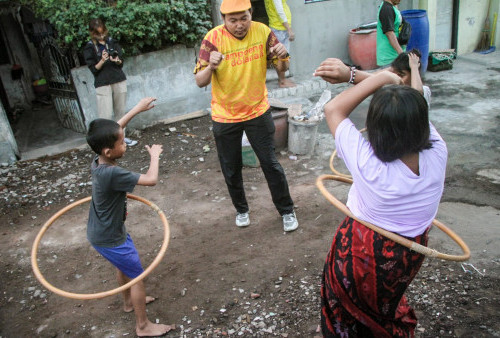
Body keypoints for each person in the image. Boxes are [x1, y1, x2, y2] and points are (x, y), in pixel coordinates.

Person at [313, 68, 447, 335]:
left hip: (362, 252)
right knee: (384, 305)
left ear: (374, 129)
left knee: (347, 311)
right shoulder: (438, 151)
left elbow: (333, 109)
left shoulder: (370, 165)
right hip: (409, 252)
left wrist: (382, 77)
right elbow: (419, 105)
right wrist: (401, 79)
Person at [193, 0, 298, 232]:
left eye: (244, 18)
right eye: (233, 20)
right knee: (231, 167)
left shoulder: (263, 32)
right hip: (224, 115)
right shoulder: (213, 39)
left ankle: (287, 211)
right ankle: (241, 209)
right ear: (223, 20)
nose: (239, 25)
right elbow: (200, 81)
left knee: (270, 163)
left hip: (257, 111)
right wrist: (210, 66)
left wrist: (283, 56)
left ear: (251, 14)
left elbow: (282, 70)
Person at [85, 97, 174, 337]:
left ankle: (127, 303)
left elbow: (114, 129)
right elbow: (151, 180)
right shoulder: (113, 173)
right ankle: (143, 326)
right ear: (109, 150)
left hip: (104, 230)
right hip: (109, 236)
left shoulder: (98, 161)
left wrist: (136, 109)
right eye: (122, 143)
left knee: (123, 266)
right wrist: (154, 155)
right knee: (137, 276)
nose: (125, 144)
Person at [83, 18, 137, 146]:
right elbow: (93, 69)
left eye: (103, 33)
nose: (102, 36)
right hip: (102, 83)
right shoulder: (89, 47)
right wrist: (102, 60)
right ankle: (106, 144)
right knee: (105, 116)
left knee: (121, 112)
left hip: (118, 79)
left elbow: (121, 62)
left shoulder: (112, 42)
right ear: (92, 33)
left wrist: (116, 60)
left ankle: (122, 140)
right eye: (98, 34)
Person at [314, 49, 429, 104]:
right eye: (395, 74)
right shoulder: (392, 91)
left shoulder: (422, 92)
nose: (397, 78)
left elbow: (416, 93)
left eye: (402, 75)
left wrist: (414, 67)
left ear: (415, 74)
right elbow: (373, 79)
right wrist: (348, 74)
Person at [264, 0, 296, 88]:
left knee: (281, 55)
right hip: (279, 28)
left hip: (278, 27)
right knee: (282, 55)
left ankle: (282, 79)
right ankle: (282, 81)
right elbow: (280, 11)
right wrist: (289, 29)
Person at [377, 0, 405, 67]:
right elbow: (389, 34)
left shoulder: (392, 7)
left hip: (395, 56)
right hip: (389, 58)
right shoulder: (386, 9)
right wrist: (401, 54)